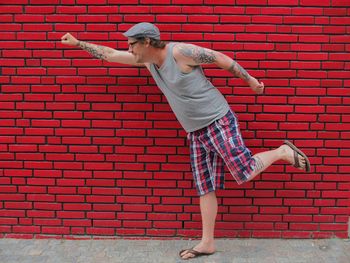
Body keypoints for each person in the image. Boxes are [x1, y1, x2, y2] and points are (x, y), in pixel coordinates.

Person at [61, 22, 311, 260]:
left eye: (132, 44)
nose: (129, 49)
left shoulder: (180, 53)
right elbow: (110, 55)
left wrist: (251, 82)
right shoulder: (148, 62)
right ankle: (207, 242)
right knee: (205, 186)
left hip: (218, 121)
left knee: (243, 171)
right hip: (195, 132)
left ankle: (281, 152)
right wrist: (78, 43)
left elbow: (220, 58)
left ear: (147, 41)